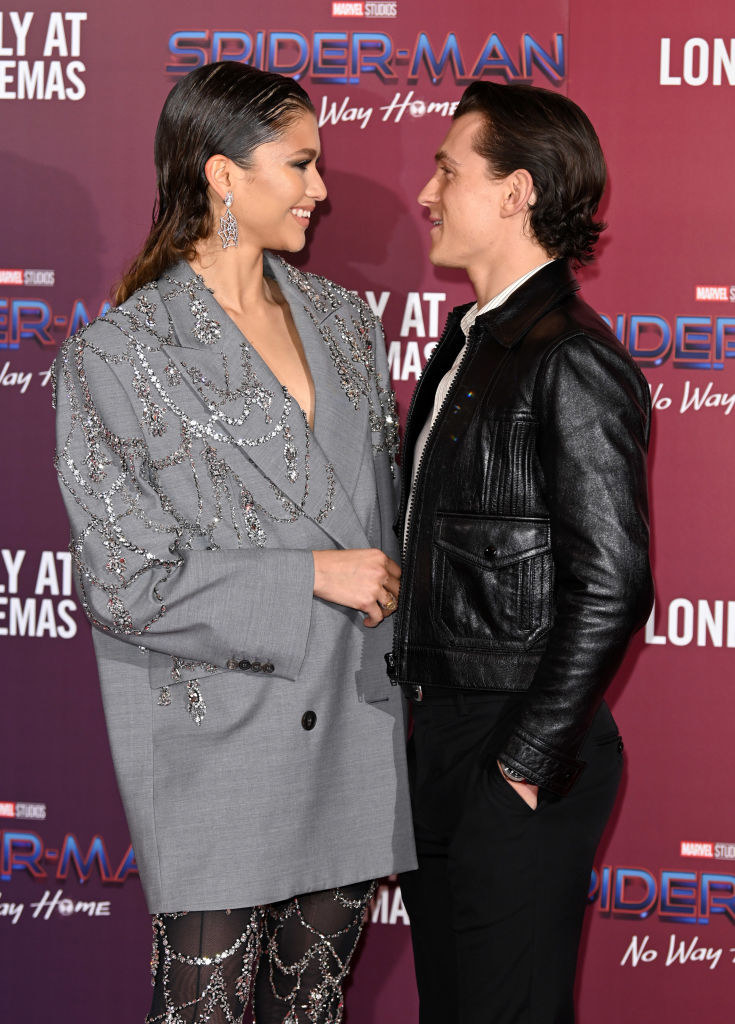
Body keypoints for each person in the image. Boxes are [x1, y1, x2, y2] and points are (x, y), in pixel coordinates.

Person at [54, 61, 416, 1024]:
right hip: (214, 742)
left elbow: (381, 515)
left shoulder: (344, 323)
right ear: (222, 174)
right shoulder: (116, 356)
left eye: (320, 165)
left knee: (315, 1009)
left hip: (349, 724)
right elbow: (127, 582)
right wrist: (309, 577)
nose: (321, 189)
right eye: (298, 164)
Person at [389, 81, 654, 1024]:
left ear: (516, 192)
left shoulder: (569, 357)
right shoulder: (468, 344)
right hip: (448, 738)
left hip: (519, 742)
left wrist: (525, 762)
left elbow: (613, 581)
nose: (426, 193)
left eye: (447, 170)